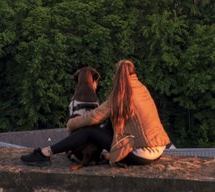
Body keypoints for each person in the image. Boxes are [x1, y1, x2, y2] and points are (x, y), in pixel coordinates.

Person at [20, 59, 170, 167]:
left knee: (89, 131)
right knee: (108, 124)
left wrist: (71, 124)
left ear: (116, 76)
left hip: (140, 154)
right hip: (158, 150)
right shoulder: (142, 89)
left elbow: (94, 117)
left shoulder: (121, 94)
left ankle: (45, 153)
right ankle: (89, 153)